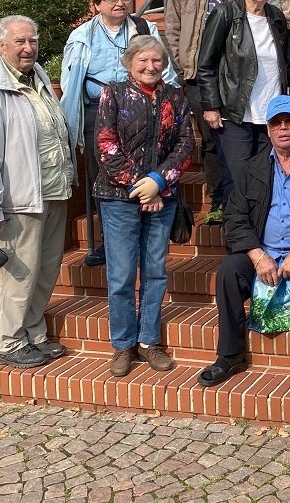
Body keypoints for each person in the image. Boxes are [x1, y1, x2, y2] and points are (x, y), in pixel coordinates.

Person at [197, 95, 290, 396]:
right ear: (268, 130)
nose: (284, 128)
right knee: (228, 270)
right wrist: (256, 253)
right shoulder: (252, 169)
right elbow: (235, 216)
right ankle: (230, 353)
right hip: (263, 251)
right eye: (277, 123)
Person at [0, 16, 75, 368]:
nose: (28, 48)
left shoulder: (36, 74)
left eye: (33, 41)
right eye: (20, 42)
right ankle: (6, 343)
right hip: (18, 201)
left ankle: (33, 334)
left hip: (52, 192)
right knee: (18, 275)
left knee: (45, 270)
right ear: (2, 45)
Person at [94, 35, 195, 377]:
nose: (151, 66)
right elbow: (106, 145)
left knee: (154, 271)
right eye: (143, 60)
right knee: (122, 274)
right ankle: (123, 345)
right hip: (119, 196)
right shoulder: (115, 92)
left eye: (157, 61)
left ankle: (149, 341)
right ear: (130, 63)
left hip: (162, 196)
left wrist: (159, 182)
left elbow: (185, 143)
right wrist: (142, 187)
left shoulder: (175, 97)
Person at [60, 0, 172, 265]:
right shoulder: (82, 35)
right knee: (106, 176)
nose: (121, 3)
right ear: (96, 4)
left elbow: (164, 65)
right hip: (97, 111)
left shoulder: (143, 28)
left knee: (143, 168)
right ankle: (110, 245)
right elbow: (69, 79)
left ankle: (141, 239)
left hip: (139, 107)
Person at [165, 0, 247, 221]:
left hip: (235, 70)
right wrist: (182, 65)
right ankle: (218, 198)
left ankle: (240, 197)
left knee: (239, 135)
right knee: (211, 138)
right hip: (198, 73)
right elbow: (172, 25)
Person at [196, 0, 290, 191]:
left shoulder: (276, 17)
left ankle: (259, 229)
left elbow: (283, 64)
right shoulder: (225, 14)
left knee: (264, 180)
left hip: (269, 113)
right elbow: (205, 64)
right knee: (238, 182)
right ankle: (236, 228)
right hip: (234, 112)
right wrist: (211, 106)